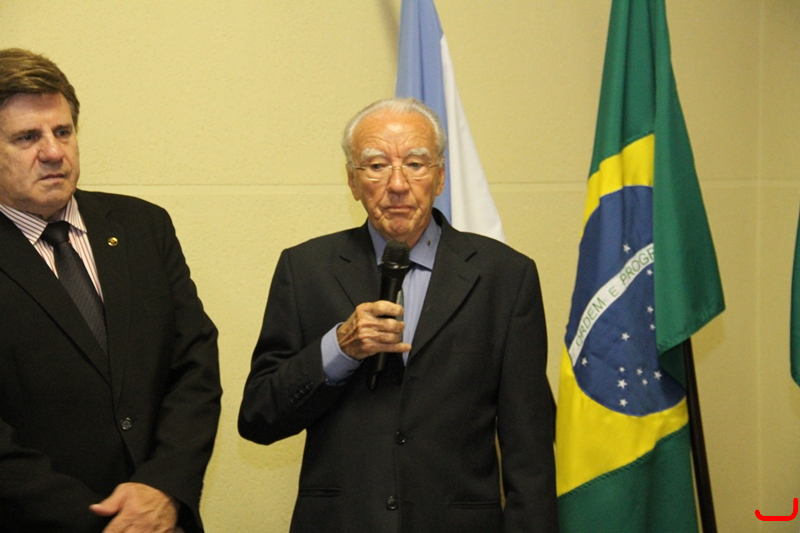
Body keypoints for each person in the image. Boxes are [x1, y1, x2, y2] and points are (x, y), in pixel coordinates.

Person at [238, 97, 557, 532]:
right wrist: (339, 348)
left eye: (415, 164)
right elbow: (258, 417)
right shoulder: (306, 269)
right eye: (376, 166)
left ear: (440, 176)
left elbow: (530, 452)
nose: (398, 184)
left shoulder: (505, 277)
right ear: (352, 181)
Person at [0, 48, 221, 532]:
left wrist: (163, 487)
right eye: (27, 137)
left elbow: (195, 365)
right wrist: (106, 522)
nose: (53, 152)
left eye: (63, 132)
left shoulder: (143, 226)